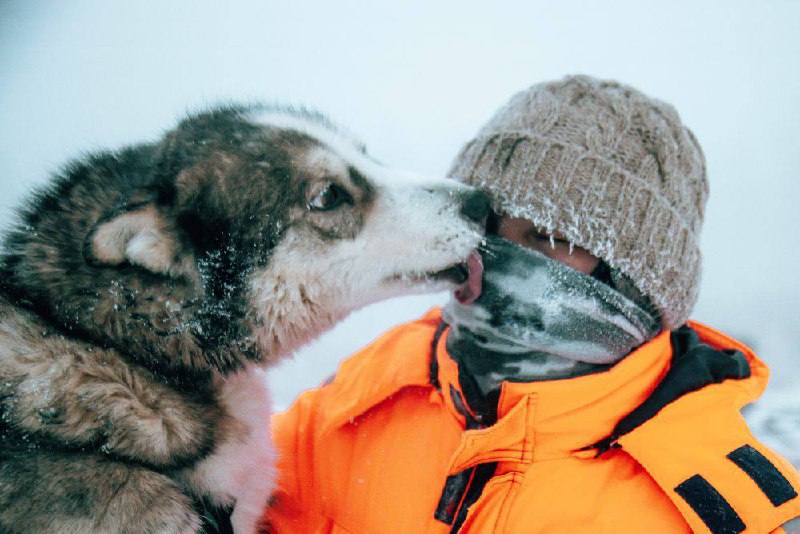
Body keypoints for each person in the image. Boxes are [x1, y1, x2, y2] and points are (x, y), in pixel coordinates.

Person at [259, 76, 800, 533]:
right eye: (489, 227)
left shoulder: (725, 510)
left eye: (549, 239)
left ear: (634, 278)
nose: (502, 261)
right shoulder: (366, 395)